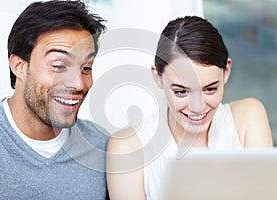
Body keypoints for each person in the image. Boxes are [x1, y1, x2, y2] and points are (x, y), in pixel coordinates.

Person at [106, 16, 273, 200]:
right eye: (181, 92)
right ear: (158, 77)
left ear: (226, 72)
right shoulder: (128, 148)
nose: (197, 107)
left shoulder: (248, 118)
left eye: (210, 89)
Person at [0, 1, 109, 199]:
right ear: (19, 66)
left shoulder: (101, 146)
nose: (78, 84)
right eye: (59, 66)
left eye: (86, 68)